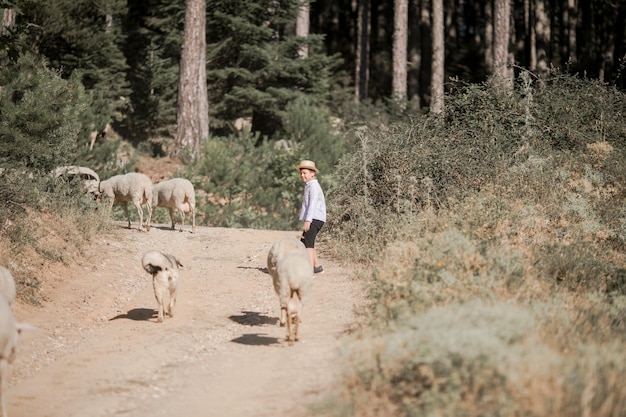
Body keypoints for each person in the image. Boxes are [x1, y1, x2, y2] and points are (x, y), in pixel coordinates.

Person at [296, 160, 326, 274]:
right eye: (301, 173)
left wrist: (308, 221)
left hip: (314, 218)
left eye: (305, 173)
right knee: (307, 243)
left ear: (312, 173)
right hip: (315, 218)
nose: (302, 175)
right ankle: (316, 267)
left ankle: (307, 270)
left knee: (308, 245)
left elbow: (312, 204)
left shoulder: (313, 186)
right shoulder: (310, 185)